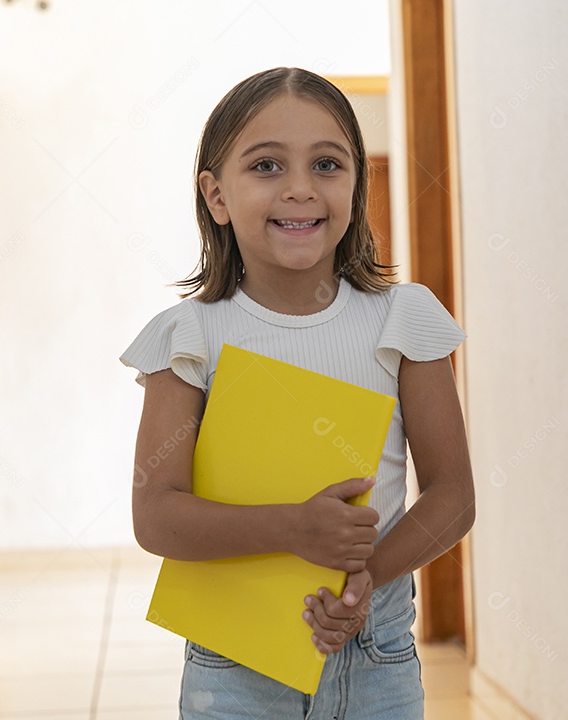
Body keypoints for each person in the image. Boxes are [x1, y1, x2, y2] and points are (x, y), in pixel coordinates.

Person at [119, 66, 475, 718]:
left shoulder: (404, 317)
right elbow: (156, 516)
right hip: (235, 659)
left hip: (375, 645)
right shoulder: (191, 333)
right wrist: (294, 529)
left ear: (357, 186)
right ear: (216, 195)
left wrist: (369, 577)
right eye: (266, 166)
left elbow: (453, 497)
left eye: (328, 165)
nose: (301, 189)